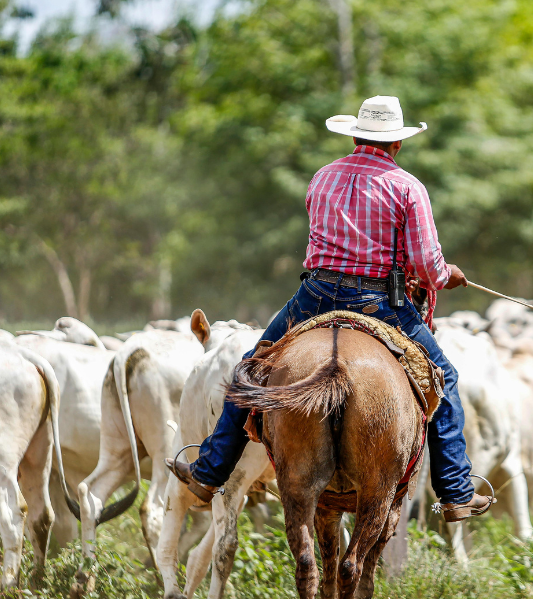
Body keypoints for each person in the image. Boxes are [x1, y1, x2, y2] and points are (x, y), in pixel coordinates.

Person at [166, 95, 492, 522]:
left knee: (250, 368)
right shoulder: (408, 187)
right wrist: (448, 273)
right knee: (444, 378)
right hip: (379, 303)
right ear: (397, 144)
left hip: (315, 295)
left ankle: (209, 472)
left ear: (354, 135)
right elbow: (427, 268)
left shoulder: (322, 177)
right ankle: (454, 492)